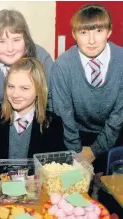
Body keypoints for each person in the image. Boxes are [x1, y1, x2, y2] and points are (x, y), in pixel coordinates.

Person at [50, 4, 123, 173]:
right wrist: (78, 152)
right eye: (84, 32)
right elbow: (65, 115)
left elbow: (118, 115)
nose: (91, 40)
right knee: (74, 189)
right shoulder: (62, 66)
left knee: (112, 193)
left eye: (98, 31)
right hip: (75, 134)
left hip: (115, 132)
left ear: (109, 31)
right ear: (74, 34)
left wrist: (95, 151)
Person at [0, 9, 54, 135]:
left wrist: (46, 131)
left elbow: (54, 98)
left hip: (35, 127)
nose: (10, 49)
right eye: (1, 41)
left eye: (16, 40)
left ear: (26, 41)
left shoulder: (41, 57)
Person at [0, 58, 65, 161]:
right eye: (11, 86)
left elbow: (54, 169)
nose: (15, 94)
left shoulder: (53, 124)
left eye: (24, 88)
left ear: (38, 90)